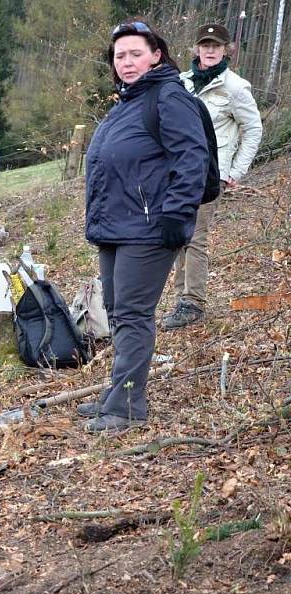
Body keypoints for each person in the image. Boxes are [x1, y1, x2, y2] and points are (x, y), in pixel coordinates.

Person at [79, 20, 209, 432]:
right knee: (118, 313)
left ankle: (128, 406)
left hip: (149, 228)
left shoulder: (168, 97)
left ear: (156, 54)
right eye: (120, 56)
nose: (127, 62)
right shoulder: (128, 102)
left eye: (136, 53)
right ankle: (117, 394)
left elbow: (192, 157)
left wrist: (176, 213)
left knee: (133, 315)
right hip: (116, 226)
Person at [162, 23, 263, 329]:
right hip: (177, 173)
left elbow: (253, 129)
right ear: (196, 49)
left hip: (208, 176)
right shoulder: (181, 83)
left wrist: (235, 171)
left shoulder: (235, 87)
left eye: (215, 46)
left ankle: (192, 303)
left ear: (226, 50)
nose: (209, 50)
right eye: (204, 45)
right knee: (178, 237)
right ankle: (182, 299)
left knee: (195, 239)